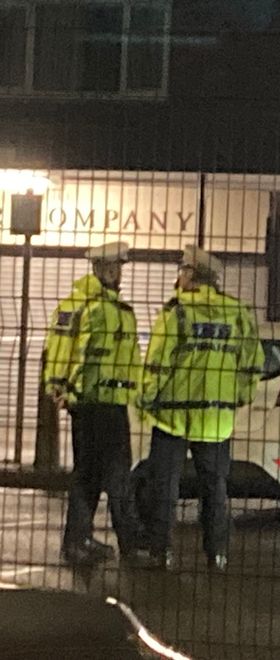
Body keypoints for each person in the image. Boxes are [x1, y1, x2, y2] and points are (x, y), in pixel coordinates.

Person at [139, 245, 264, 571]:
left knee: (165, 486)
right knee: (215, 488)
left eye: (182, 270)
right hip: (216, 419)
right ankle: (217, 553)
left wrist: (146, 399)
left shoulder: (177, 312)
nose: (178, 277)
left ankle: (161, 551)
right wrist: (240, 395)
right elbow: (252, 362)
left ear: (192, 275)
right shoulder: (237, 313)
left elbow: (157, 363)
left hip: (173, 416)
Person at [41, 241, 146, 566]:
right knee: (116, 478)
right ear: (101, 269)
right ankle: (130, 547)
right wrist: (60, 388)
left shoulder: (112, 308)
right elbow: (61, 350)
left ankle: (78, 540)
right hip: (96, 404)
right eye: (113, 268)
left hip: (106, 403)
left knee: (89, 475)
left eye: (119, 268)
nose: (118, 274)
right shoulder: (88, 306)